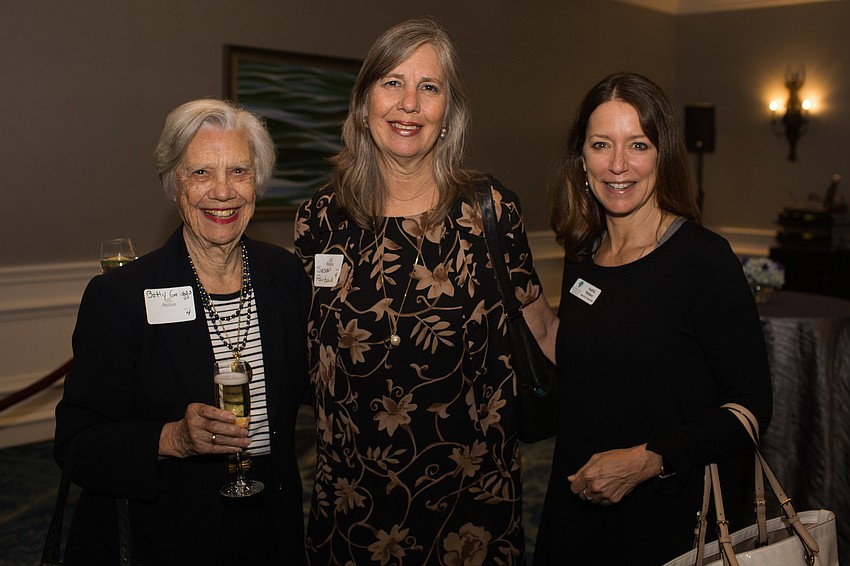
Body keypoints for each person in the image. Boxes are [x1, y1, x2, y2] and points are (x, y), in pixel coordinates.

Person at [293, 17, 558, 565]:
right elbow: (301, 347)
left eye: (429, 87)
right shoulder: (321, 217)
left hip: (470, 502)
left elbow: (545, 334)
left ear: (448, 112)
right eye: (392, 82)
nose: (409, 104)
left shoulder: (489, 212)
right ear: (364, 104)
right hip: (352, 499)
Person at [53, 98, 309, 564]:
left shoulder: (285, 277)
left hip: (271, 527)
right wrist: (173, 439)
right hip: (168, 535)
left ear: (257, 181)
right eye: (201, 173)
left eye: (238, 171)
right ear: (175, 184)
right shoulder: (121, 295)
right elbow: (77, 444)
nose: (222, 191)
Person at [532, 72, 773, 564]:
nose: (618, 165)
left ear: (663, 156)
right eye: (601, 145)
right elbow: (582, 356)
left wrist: (650, 459)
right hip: (578, 509)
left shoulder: (703, 260)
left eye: (638, 145)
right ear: (582, 160)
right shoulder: (582, 254)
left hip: (671, 518)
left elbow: (751, 408)